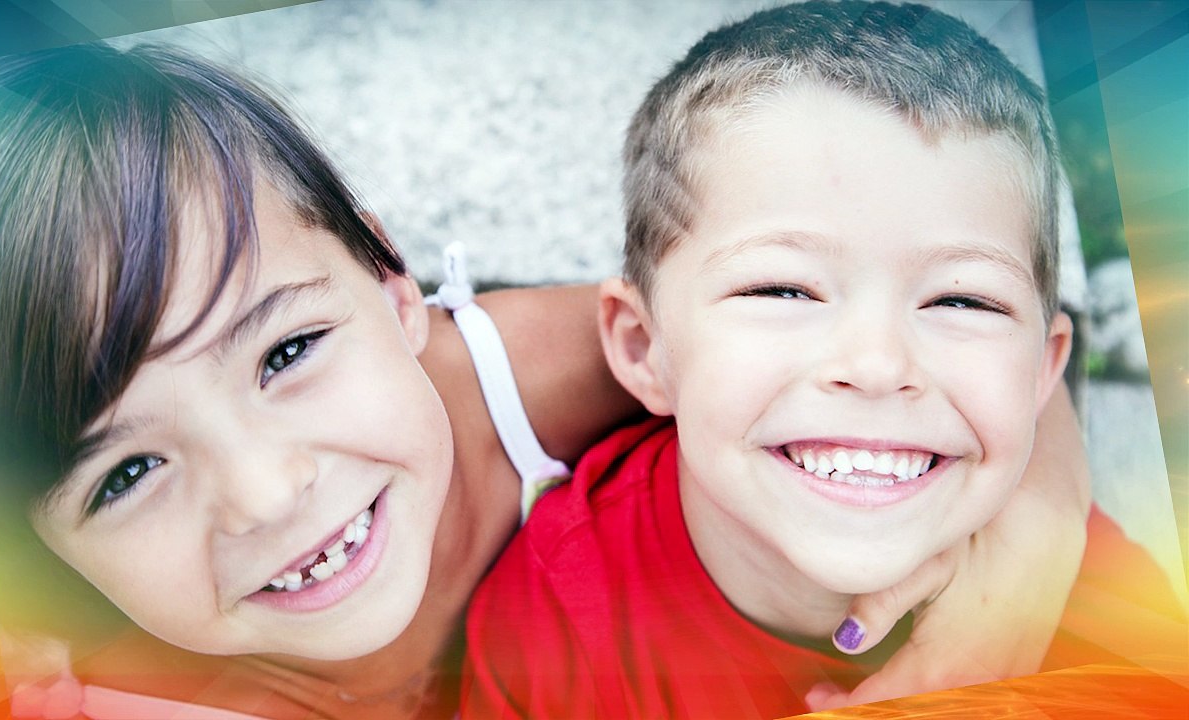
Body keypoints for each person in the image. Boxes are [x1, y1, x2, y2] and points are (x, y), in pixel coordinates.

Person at [0, 39, 1090, 720]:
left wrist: (1014, 589)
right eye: (125, 472)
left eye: (285, 353)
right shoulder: (97, 677)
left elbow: (912, 357)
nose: (269, 493)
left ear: (388, 283)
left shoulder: (517, 377)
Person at [461, 2, 1187, 717]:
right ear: (642, 348)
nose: (876, 365)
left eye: (963, 302)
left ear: (1041, 369)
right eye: (781, 288)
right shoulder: (557, 619)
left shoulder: (1114, 624)